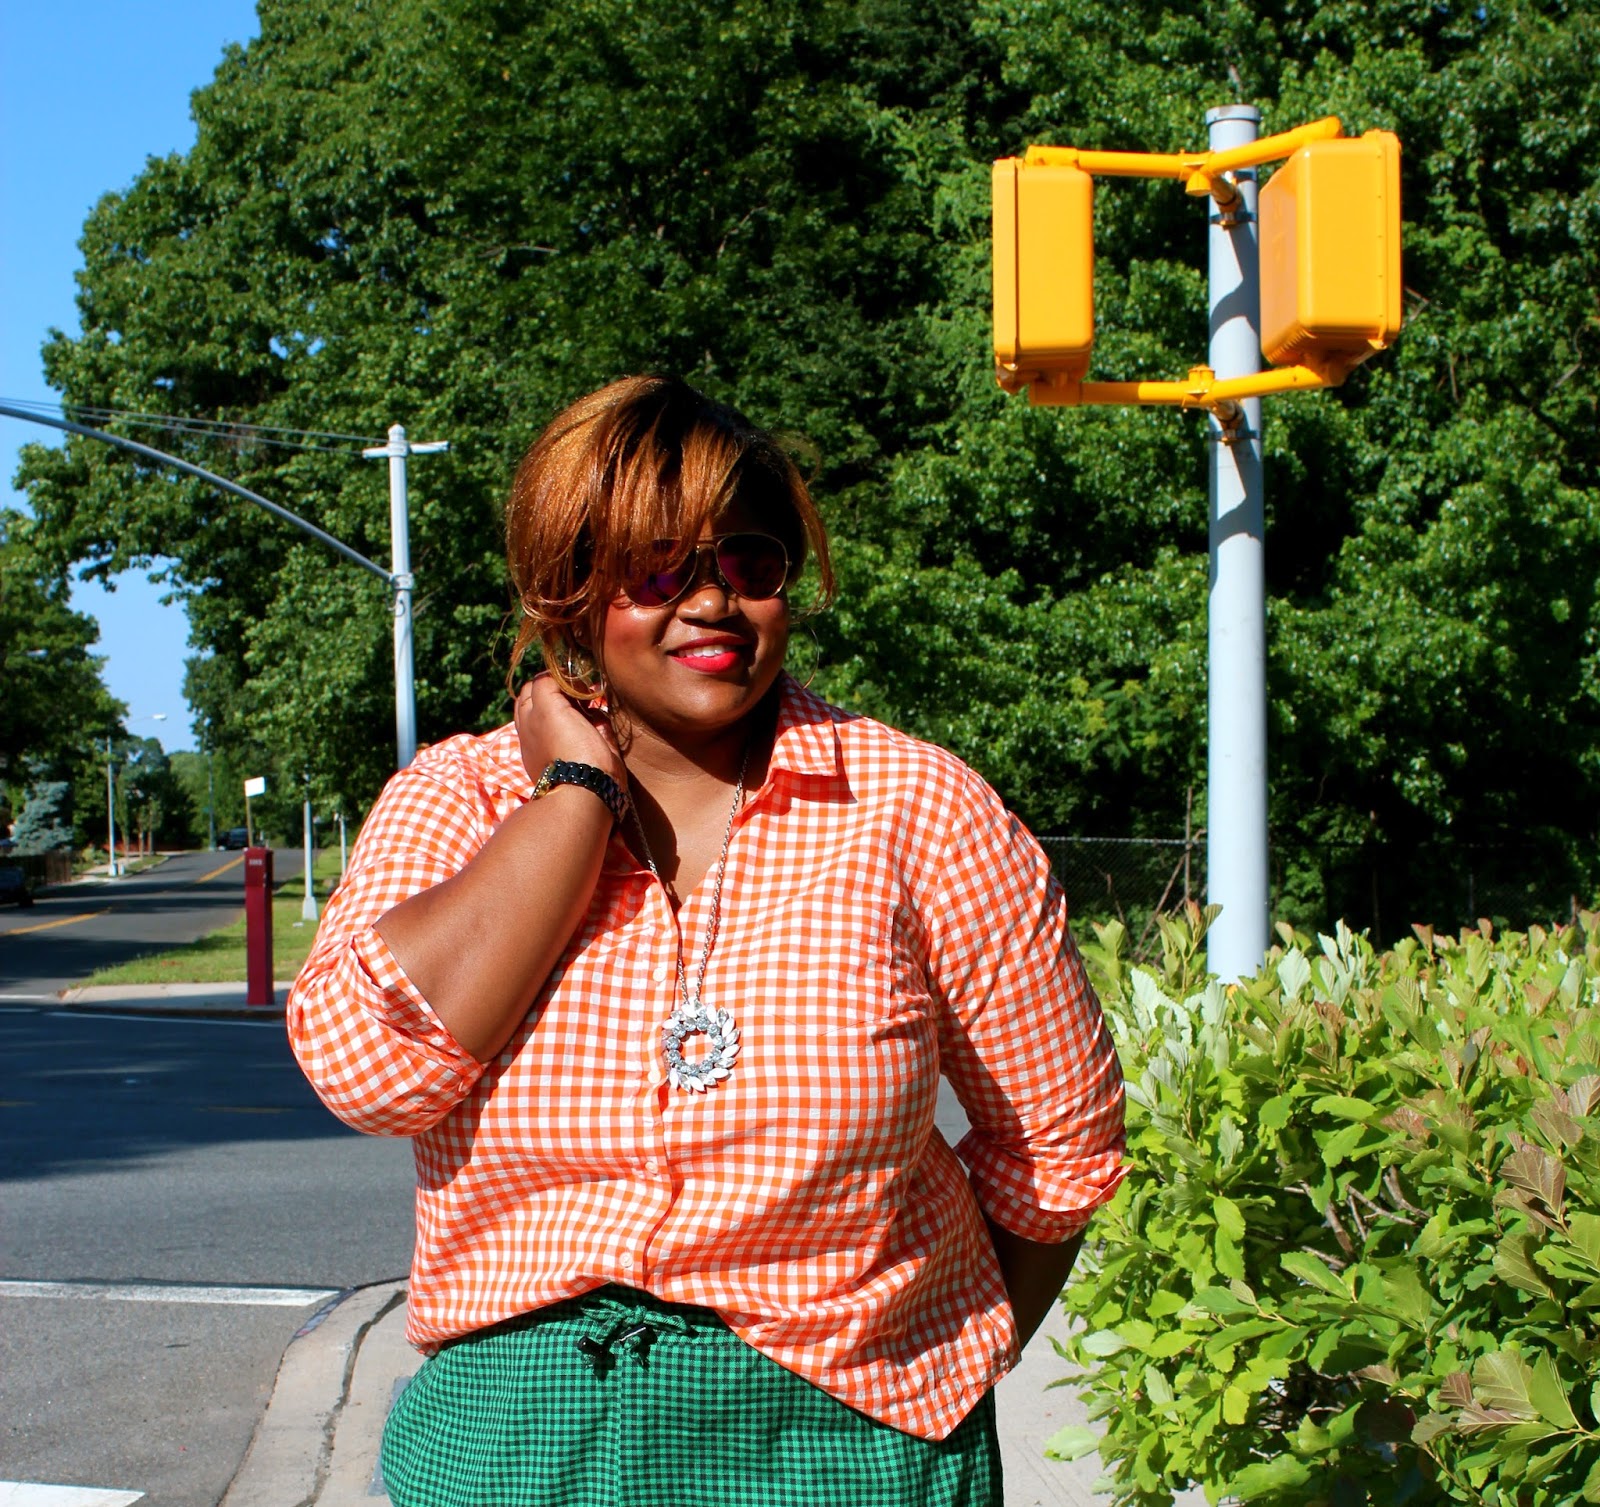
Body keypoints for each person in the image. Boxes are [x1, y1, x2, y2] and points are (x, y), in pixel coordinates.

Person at [288, 375, 1125, 1507]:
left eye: (749, 562)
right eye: (655, 568)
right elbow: (368, 1073)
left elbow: (1057, 1149)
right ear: (571, 586)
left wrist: (939, 1358)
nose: (710, 603)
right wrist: (575, 795)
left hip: (849, 1449)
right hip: (519, 1447)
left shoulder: (915, 807)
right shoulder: (459, 800)